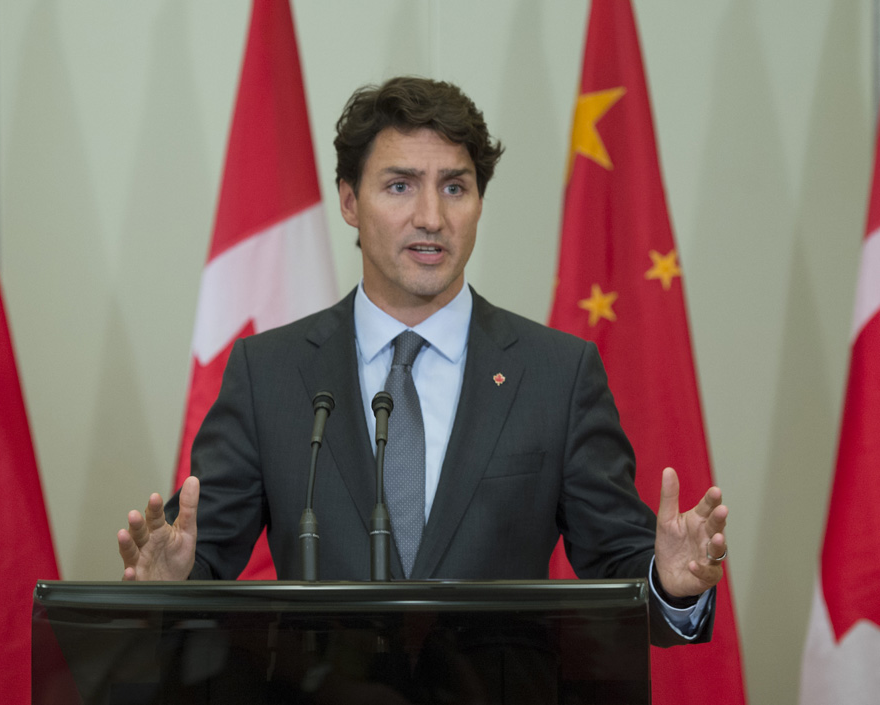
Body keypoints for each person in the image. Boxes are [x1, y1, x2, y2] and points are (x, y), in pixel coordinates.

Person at [118, 77, 728, 649]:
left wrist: (671, 584)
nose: (431, 217)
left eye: (455, 187)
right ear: (351, 202)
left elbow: (620, 573)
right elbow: (207, 561)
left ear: (480, 203)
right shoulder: (269, 373)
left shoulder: (557, 376)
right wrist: (170, 585)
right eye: (400, 185)